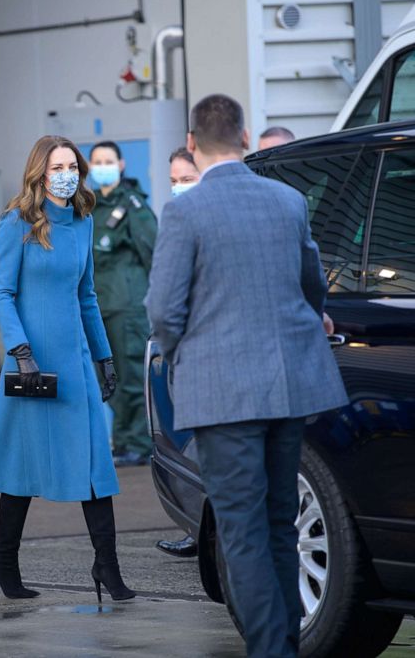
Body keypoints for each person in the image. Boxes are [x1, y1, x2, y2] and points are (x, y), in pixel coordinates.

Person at [146, 95, 347, 657]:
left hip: (222, 394)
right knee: (280, 522)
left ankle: (272, 652)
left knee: (242, 532)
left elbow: (163, 311)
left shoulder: (184, 212)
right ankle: (283, 643)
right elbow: (313, 284)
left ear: (192, 144)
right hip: (287, 387)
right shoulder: (288, 201)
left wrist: (183, 353)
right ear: (244, 136)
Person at [0, 135, 134, 603]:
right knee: (22, 465)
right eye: (57, 167)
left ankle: (107, 566)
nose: (66, 174)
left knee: (93, 464)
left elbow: (87, 295)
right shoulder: (16, 222)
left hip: (76, 361)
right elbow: (2, 293)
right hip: (32, 363)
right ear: (39, 175)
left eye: (72, 166)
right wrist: (21, 351)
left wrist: (104, 356)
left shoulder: (83, 221)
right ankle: (4, 560)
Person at [87, 141, 158, 468]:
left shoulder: (133, 205)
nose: (103, 165)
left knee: (131, 376)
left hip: (128, 306)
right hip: (99, 308)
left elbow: (153, 255)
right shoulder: (88, 207)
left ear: (121, 164)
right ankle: (124, 441)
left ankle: (140, 443)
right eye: (97, 161)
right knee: (110, 378)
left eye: (108, 160)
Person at [153, 147, 201, 560]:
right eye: (175, 178)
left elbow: (163, 306)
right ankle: (197, 528)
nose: (178, 186)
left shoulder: (188, 221)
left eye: (187, 177)